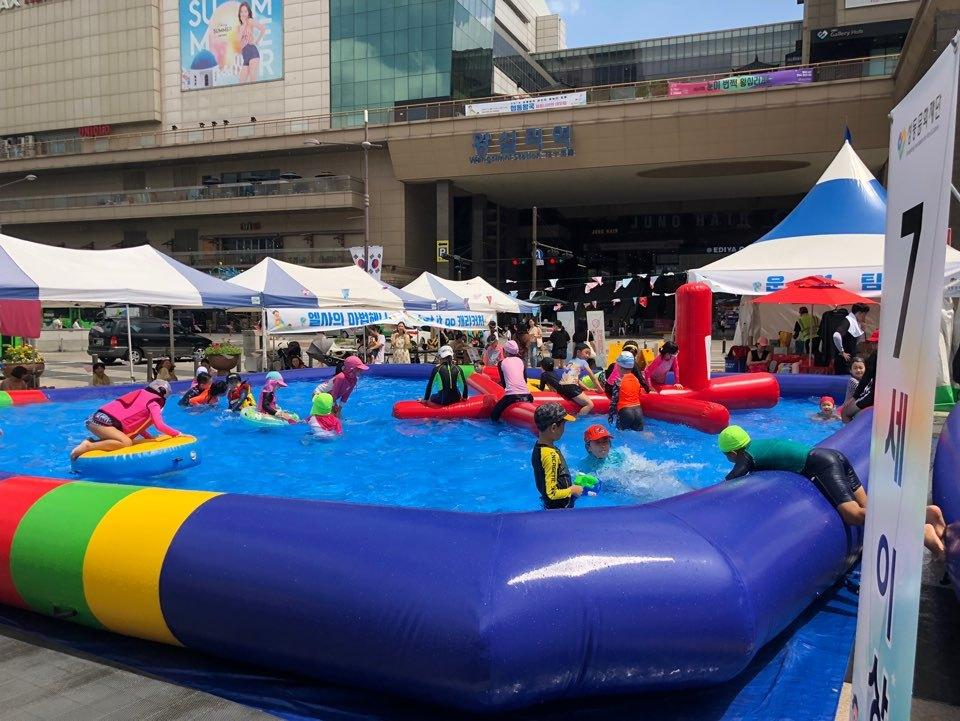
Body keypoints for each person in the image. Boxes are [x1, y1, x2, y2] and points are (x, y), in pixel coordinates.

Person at [719, 425, 949, 557]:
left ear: (732, 453)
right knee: (868, 509)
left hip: (821, 465)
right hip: (834, 455)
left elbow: (733, 479)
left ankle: (921, 530)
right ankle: (926, 512)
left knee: (853, 515)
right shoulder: (758, 445)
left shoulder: (746, 456)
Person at [70, 380, 180, 460]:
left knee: (125, 439)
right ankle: (89, 445)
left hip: (96, 420)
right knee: (126, 442)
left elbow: (137, 425)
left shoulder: (142, 395)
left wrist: (148, 438)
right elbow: (160, 425)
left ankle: (93, 441)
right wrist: (177, 434)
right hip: (104, 423)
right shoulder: (154, 403)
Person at [531, 402, 582, 510]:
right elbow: (551, 494)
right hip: (560, 510)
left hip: (554, 507)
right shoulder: (550, 455)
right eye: (563, 426)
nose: (564, 430)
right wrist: (572, 490)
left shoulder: (539, 447)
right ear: (554, 427)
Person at [841, 331, 879, 423]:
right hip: (884, 393)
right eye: (872, 343)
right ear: (850, 370)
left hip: (874, 394)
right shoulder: (891, 357)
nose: (873, 346)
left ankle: (849, 435)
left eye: (876, 343)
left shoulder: (875, 356)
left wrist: (854, 397)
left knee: (844, 413)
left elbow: (866, 378)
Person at [491, 340, 533, 423]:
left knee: (493, 416)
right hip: (528, 396)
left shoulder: (501, 363)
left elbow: (504, 384)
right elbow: (525, 380)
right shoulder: (522, 362)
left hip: (512, 396)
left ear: (505, 351)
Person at [609, 351, 645, 431]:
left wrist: (610, 418)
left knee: (621, 436)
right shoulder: (636, 380)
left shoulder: (619, 382)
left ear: (620, 367)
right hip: (638, 411)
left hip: (625, 411)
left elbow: (614, 402)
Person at [832, 302, 871, 374]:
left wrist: (862, 330)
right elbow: (836, 335)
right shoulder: (848, 321)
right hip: (844, 360)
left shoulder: (854, 322)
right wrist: (842, 352)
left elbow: (857, 341)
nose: (865, 317)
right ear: (859, 313)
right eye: (864, 315)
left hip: (850, 359)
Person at [237, 2, 266, 84]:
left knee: (253, 80)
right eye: (241, 12)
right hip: (245, 56)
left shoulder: (250, 21)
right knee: (241, 83)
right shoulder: (239, 28)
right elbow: (239, 41)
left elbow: (263, 29)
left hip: (253, 53)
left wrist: (256, 41)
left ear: (248, 12)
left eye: (245, 11)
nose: (243, 14)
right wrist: (243, 25)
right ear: (239, 13)